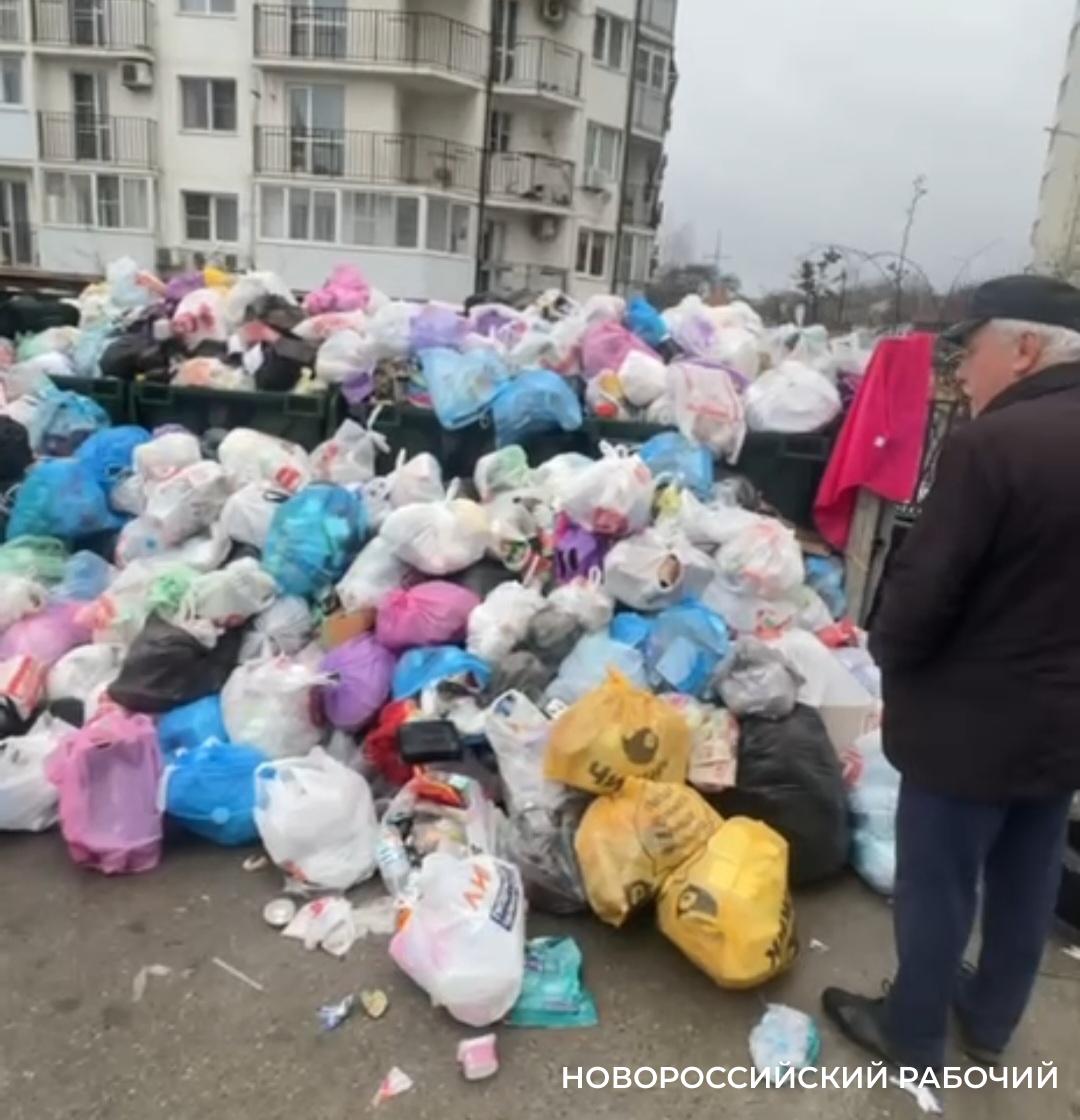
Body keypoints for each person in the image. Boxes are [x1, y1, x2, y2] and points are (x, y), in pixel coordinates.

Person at [822, 274, 1080, 1072]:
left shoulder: (993, 445)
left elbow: (926, 591)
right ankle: (991, 1021)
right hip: (1065, 722)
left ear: (1026, 348)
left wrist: (887, 656)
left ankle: (914, 1034)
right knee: (1028, 874)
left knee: (939, 880)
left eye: (969, 353)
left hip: (969, 721)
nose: (961, 374)